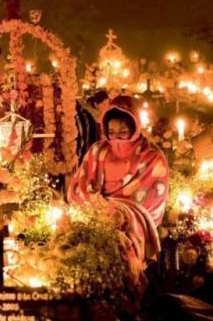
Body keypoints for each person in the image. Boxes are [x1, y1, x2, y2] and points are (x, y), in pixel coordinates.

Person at [68, 95, 169, 291]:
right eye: (112, 132)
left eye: (123, 132)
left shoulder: (151, 155)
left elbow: (153, 197)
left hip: (132, 219)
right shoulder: (98, 150)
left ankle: (124, 292)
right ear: (105, 129)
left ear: (134, 127)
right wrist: (100, 206)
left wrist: (119, 213)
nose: (117, 137)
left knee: (124, 245)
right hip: (96, 212)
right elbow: (78, 185)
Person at [75, 90, 108, 165]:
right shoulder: (91, 117)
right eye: (104, 104)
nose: (106, 106)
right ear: (96, 105)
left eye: (108, 103)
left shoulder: (106, 116)